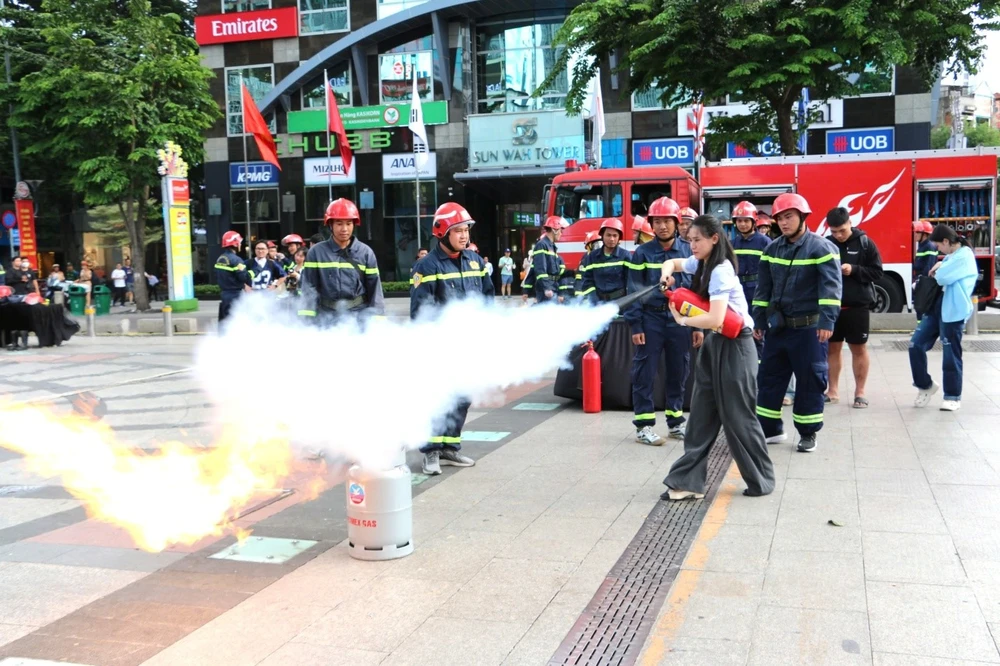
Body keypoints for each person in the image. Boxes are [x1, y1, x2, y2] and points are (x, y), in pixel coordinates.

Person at [658, 214, 775, 499]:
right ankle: (686, 482)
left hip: (736, 347)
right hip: (715, 344)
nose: (691, 246)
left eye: (697, 240)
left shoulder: (721, 270)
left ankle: (761, 480)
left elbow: (715, 318)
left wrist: (682, 320)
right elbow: (672, 263)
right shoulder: (701, 262)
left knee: (738, 418)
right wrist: (665, 275)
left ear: (714, 238)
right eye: (689, 240)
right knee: (701, 414)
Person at [752, 193, 842, 453]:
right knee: (769, 378)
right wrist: (759, 319)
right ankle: (770, 429)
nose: (783, 222)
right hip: (778, 328)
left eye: (789, 216)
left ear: (803, 217)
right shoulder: (771, 249)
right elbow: (763, 289)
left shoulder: (822, 248)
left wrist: (827, 321)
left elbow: (831, 289)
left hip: (809, 329)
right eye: (780, 218)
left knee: (810, 381)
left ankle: (808, 433)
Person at [411, 202, 494, 475]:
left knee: (462, 396)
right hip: (440, 346)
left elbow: (487, 298)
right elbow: (421, 311)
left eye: (466, 230)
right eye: (457, 230)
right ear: (442, 232)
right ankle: (431, 452)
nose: (464, 236)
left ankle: (450, 448)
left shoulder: (475, 261)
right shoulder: (426, 266)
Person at [626, 196, 695, 445]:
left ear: (677, 223)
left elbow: (697, 289)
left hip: (680, 320)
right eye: (657, 221)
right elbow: (633, 289)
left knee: (679, 369)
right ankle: (644, 425)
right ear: (651, 225)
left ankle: (676, 422)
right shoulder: (642, 253)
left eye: (667, 221)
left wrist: (696, 326)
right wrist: (636, 325)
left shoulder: (688, 251)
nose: (662, 226)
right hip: (650, 319)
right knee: (645, 371)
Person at [909, 224, 978, 412]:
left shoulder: (964, 256)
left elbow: (942, 278)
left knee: (950, 355)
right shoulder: (952, 256)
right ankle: (925, 385)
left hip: (953, 312)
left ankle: (952, 396)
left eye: (939, 246)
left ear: (947, 241)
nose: (938, 250)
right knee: (915, 345)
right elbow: (941, 271)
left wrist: (940, 267)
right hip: (936, 308)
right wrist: (941, 264)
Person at [825, 207, 883, 408]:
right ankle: (832, 390)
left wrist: (854, 270)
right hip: (832, 307)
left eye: (841, 230)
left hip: (858, 306)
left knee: (858, 348)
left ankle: (860, 392)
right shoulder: (826, 244)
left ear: (850, 223)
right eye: (833, 231)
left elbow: (877, 272)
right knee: (832, 349)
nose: (838, 235)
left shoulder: (865, 243)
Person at [299, 198, 385, 321]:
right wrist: (306, 319)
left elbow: (375, 289)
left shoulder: (365, 252)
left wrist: (378, 318)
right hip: (326, 316)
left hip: (358, 316)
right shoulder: (316, 252)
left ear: (354, 225)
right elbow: (308, 288)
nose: (344, 229)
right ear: (330, 225)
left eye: (349, 223)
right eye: (339, 224)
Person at [730, 201, 770, 355]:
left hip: (757, 292)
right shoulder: (732, 243)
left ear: (754, 222)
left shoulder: (764, 242)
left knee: (758, 332)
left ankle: (759, 371)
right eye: (739, 221)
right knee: (739, 329)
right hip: (738, 292)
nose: (742, 224)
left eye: (746, 220)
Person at [577, 218, 630, 305]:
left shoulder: (625, 256)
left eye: (615, 235)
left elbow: (630, 282)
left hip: (620, 304)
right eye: (608, 235)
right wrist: (594, 300)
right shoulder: (592, 257)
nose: (612, 239)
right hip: (598, 304)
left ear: (619, 237)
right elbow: (587, 281)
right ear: (602, 236)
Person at [214, 231, 252, 324]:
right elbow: (243, 277)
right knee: (234, 322)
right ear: (235, 243)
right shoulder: (236, 260)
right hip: (235, 295)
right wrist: (255, 271)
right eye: (239, 242)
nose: (240, 244)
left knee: (225, 321)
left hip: (224, 294)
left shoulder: (220, 258)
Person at [528, 216, 565, 303]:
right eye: (560, 230)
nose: (561, 233)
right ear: (554, 230)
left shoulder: (552, 246)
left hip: (553, 287)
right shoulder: (542, 245)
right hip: (546, 289)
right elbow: (540, 270)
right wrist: (547, 288)